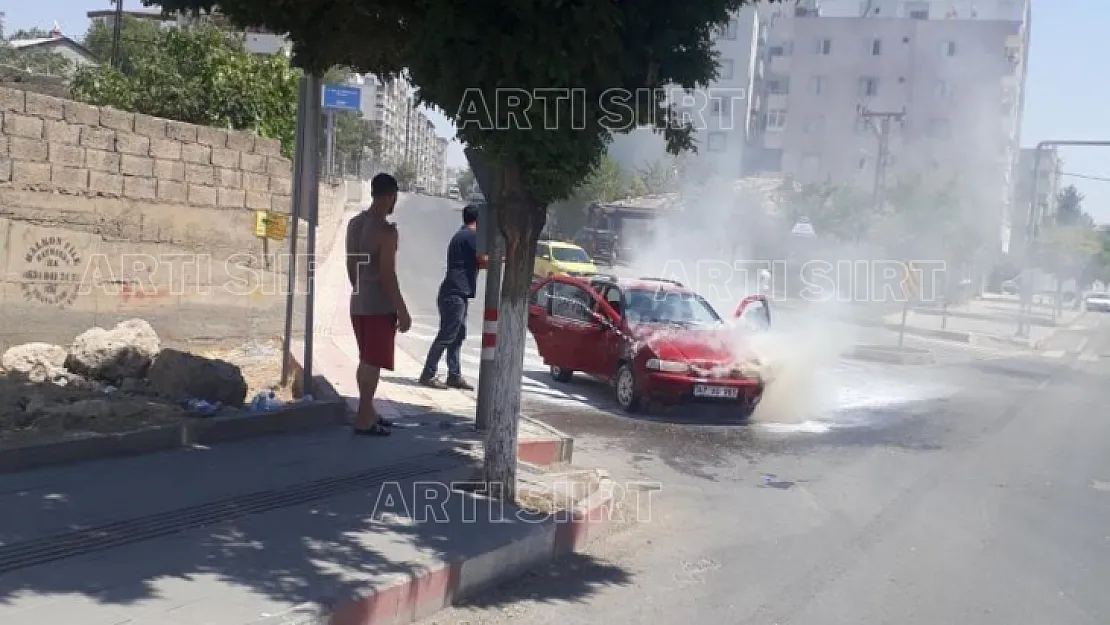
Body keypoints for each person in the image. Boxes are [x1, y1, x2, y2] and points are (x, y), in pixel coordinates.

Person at [347, 173, 411, 436]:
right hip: (378, 307)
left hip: (358, 302)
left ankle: (368, 410)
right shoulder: (387, 232)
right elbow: (387, 274)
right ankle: (363, 418)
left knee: (365, 359)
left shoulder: (354, 224)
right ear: (390, 196)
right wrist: (402, 310)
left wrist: (359, 287)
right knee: (372, 362)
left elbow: (351, 265)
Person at [419, 204, 488, 389]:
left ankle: (454, 375)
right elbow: (483, 260)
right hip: (455, 293)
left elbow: (477, 263)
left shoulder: (463, 234)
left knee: (457, 336)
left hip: (457, 292)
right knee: (447, 335)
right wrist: (502, 259)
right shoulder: (471, 236)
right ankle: (428, 374)